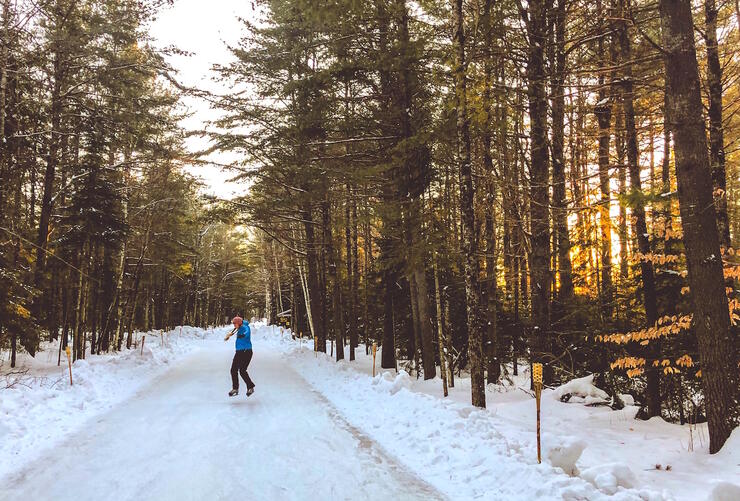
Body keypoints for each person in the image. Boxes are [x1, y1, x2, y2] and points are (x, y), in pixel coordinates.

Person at [224, 316, 255, 397]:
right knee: (234, 370)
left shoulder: (245, 327)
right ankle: (236, 388)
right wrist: (228, 336)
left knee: (242, 370)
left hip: (246, 351)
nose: (234, 325)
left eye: (235, 323)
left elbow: (246, 332)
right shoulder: (239, 327)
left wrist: (242, 335)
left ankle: (249, 387)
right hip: (240, 352)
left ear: (239, 323)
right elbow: (233, 331)